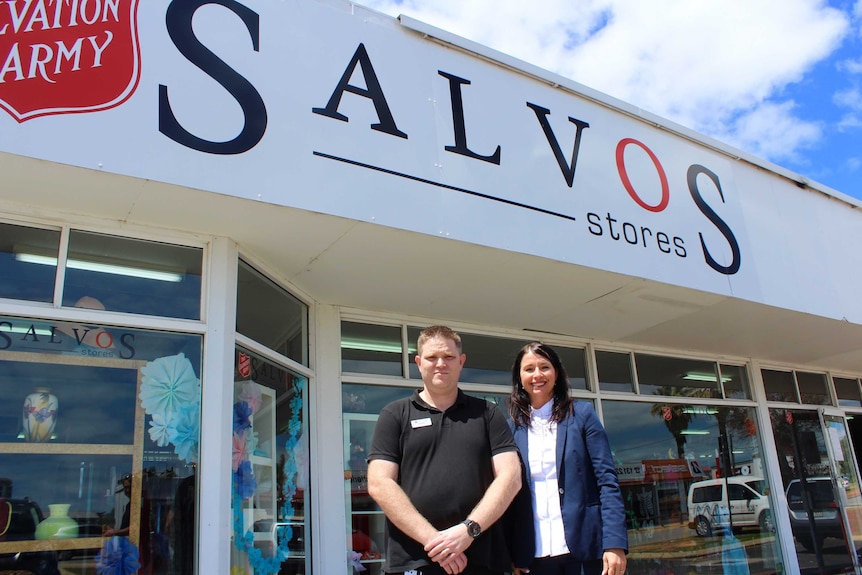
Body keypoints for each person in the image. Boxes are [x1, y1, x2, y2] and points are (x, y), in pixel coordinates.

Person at [367, 325, 522, 575]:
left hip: (481, 559)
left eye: (449, 357)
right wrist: (436, 542)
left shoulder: (487, 413)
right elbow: (379, 483)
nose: (441, 364)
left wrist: (468, 531)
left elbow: (511, 477)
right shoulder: (394, 414)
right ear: (419, 362)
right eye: (432, 357)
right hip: (413, 559)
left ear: (461, 362)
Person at [508, 342, 627, 575]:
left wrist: (614, 543)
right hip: (533, 555)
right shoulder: (512, 428)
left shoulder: (582, 415)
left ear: (557, 373)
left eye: (544, 367)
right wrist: (513, 552)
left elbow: (607, 481)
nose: (537, 375)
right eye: (529, 369)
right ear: (519, 377)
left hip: (583, 551)